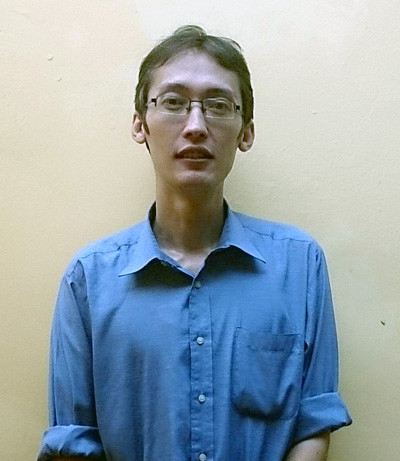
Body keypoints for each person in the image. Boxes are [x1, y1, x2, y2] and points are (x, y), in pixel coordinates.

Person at [38, 25, 351, 461]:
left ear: (246, 132)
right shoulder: (88, 280)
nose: (196, 126)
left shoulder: (299, 264)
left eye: (218, 105)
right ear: (140, 125)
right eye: (173, 102)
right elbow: (73, 443)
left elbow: (313, 423)